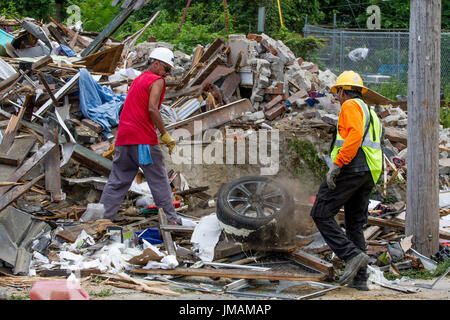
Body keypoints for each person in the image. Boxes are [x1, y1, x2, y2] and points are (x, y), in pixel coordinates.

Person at [309, 71, 383, 290]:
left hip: (352, 167)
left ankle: (351, 255)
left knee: (320, 213)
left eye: (337, 92)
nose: (337, 97)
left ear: (342, 91)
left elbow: (354, 136)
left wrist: (337, 165)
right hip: (368, 172)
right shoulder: (370, 111)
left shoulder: (350, 106)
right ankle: (360, 280)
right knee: (354, 225)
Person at [100, 47, 182, 225]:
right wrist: (165, 134)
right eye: (166, 69)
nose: (167, 74)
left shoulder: (138, 79)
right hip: (143, 140)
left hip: (124, 138)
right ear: (157, 64)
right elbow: (152, 108)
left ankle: (101, 219)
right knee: (159, 180)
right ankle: (171, 220)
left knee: (117, 180)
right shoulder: (157, 80)